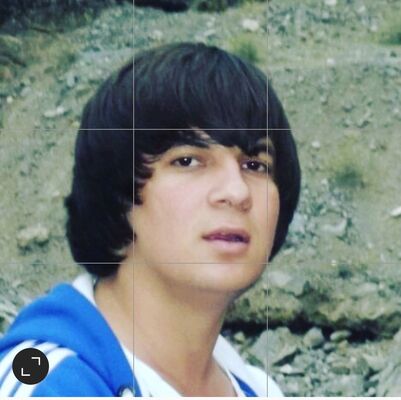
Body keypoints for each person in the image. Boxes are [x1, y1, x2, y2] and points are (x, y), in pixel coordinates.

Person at [0, 43, 300, 397]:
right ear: (118, 192)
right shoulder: (46, 383)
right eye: (188, 161)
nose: (237, 191)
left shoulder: (257, 388)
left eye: (256, 165)